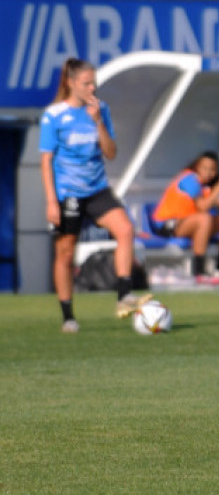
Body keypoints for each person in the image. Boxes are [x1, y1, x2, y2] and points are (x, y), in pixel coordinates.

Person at [40, 57, 152, 333]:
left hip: (97, 189)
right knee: (65, 253)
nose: (92, 88)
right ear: (71, 83)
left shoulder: (100, 109)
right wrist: (52, 201)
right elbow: (46, 161)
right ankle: (68, 316)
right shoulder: (54, 115)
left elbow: (111, 153)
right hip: (69, 194)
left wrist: (99, 123)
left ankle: (124, 296)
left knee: (125, 229)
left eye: (94, 83)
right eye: (86, 83)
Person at [152, 151, 219, 286]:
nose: (208, 172)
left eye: (212, 169)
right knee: (204, 219)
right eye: (204, 168)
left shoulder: (206, 188)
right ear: (196, 167)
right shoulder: (189, 179)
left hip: (192, 224)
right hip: (169, 225)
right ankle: (199, 271)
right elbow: (202, 207)